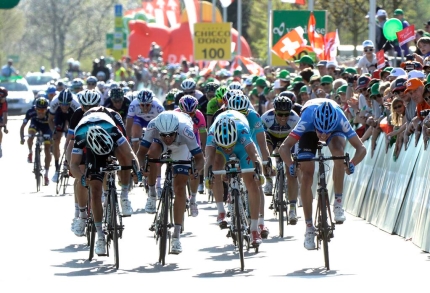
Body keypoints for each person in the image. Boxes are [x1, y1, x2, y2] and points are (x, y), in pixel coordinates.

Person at [279, 99, 367, 250]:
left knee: (339, 154)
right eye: (321, 132)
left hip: (335, 126)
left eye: (327, 133)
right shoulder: (307, 120)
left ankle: (338, 204)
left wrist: (352, 163)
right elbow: (284, 147)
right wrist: (291, 164)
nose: (324, 136)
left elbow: (361, 148)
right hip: (309, 129)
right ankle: (308, 228)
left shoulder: (340, 119)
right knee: (306, 175)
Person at [70, 109, 139, 255]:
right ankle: (99, 236)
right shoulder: (80, 135)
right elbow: (74, 164)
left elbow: (130, 154)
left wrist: (136, 171)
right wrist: (82, 178)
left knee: (123, 157)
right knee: (94, 190)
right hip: (92, 150)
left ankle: (121, 194)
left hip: (110, 141)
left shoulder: (113, 131)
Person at [139, 111, 204, 254]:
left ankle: (176, 236)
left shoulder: (185, 130)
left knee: (180, 188)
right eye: (164, 135)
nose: (167, 139)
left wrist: (196, 170)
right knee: (152, 155)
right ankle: (151, 194)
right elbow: (141, 152)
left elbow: (200, 158)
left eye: (170, 135)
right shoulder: (153, 126)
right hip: (158, 144)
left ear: (176, 131)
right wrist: (143, 167)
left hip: (182, 146)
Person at [204, 112, 264, 247]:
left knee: (252, 183)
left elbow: (254, 154)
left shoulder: (242, 131)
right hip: (220, 147)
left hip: (241, 146)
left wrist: (260, 172)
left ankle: (254, 229)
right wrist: (207, 177)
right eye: (226, 147)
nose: (228, 149)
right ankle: (221, 210)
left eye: (229, 146)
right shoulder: (212, 135)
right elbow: (208, 160)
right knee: (216, 164)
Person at [66, 90, 104, 236]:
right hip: (82, 145)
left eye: (92, 106)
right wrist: (68, 162)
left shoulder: (108, 114)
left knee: (105, 171)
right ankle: (80, 214)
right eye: (86, 107)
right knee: (80, 176)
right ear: (82, 107)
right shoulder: (77, 115)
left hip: (102, 146)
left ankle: (107, 196)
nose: (89, 109)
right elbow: (71, 140)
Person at [261, 95, 300, 224]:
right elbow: (259, 138)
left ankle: (293, 209)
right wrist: (266, 159)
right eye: (280, 114)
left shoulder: (295, 119)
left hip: (288, 138)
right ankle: (268, 180)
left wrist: (295, 159)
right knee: (265, 149)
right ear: (274, 111)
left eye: (286, 114)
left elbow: (299, 141)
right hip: (271, 137)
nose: (283, 118)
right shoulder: (266, 118)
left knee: (291, 170)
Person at [174, 95, 207, 213]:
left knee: (195, 170)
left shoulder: (199, 116)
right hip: (178, 141)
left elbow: (203, 134)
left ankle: (193, 198)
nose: (189, 116)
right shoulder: (175, 114)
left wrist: (203, 150)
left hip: (193, 140)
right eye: (185, 114)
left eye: (191, 114)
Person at [49, 89, 80, 183]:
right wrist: (53, 132)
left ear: (70, 102)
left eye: (66, 104)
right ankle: (57, 169)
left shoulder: (76, 104)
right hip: (59, 115)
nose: (64, 106)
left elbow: (79, 123)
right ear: (59, 102)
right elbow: (50, 119)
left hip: (73, 115)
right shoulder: (54, 103)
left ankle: (67, 161)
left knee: (71, 141)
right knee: (56, 140)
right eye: (62, 104)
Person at [126, 89, 164, 153]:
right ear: (139, 103)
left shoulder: (158, 106)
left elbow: (164, 123)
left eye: (148, 105)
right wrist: (128, 137)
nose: (145, 108)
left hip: (154, 120)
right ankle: (137, 158)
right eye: (142, 105)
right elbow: (129, 125)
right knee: (135, 136)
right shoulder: (133, 105)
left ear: (152, 102)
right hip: (139, 119)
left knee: (157, 138)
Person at [27, 98, 53, 185]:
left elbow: (55, 126)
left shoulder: (51, 113)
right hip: (36, 124)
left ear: (47, 109)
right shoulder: (31, 112)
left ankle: (46, 174)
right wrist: (22, 138)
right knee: (30, 135)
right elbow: (23, 126)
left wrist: (53, 136)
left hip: (47, 128)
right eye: (39, 109)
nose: (41, 112)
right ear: (35, 109)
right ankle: (30, 152)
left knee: (47, 149)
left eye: (43, 109)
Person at [0, 87, 8, 158]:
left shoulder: (4, 103)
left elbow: (5, 115)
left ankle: (0, 145)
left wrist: (4, 125)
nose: (4, 99)